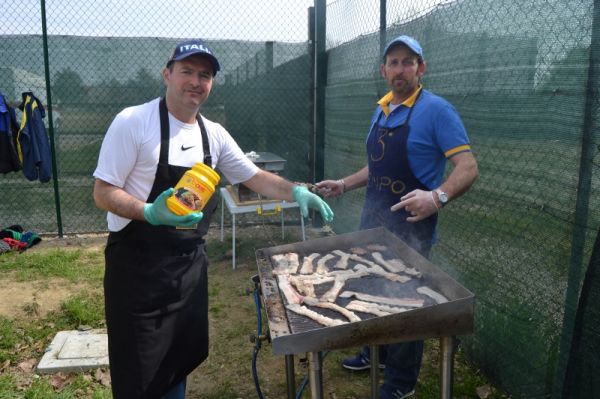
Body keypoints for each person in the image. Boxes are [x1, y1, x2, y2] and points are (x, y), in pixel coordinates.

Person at [92, 39, 333, 399]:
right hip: (138, 273)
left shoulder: (213, 134)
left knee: (179, 361)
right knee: (139, 375)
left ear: (211, 83)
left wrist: (296, 190)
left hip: (188, 270)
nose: (195, 81)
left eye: (204, 75)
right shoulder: (133, 122)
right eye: (186, 71)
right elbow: (103, 191)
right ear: (167, 73)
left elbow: (253, 177)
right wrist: (148, 212)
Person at [316, 34, 478, 399]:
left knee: (407, 301)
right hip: (373, 219)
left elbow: (468, 167)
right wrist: (344, 184)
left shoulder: (437, 111)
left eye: (408, 62)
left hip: (411, 228)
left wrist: (437, 197)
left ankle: (401, 381)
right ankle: (376, 354)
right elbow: (377, 167)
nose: (400, 69)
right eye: (393, 62)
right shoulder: (383, 108)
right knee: (371, 286)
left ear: (421, 68)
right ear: (383, 70)